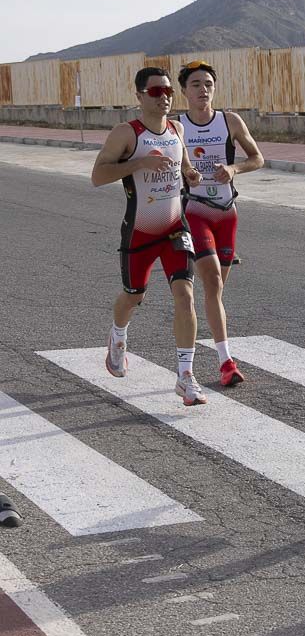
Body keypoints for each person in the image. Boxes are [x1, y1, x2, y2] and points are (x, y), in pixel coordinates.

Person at [91, 67, 207, 406]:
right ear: (140, 96)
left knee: (185, 294)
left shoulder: (178, 128)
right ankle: (118, 337)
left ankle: (185, 376)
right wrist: (138, 163)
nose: (165, 97)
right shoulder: (127, 134)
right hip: (140, 230)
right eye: (156, 92)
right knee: (134, 296)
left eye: (169, 90)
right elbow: (98, 175)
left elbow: (183, 165)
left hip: (174, 226)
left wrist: (191, 173)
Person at [177, 60, 265, 387]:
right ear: (184, 91)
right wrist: (185, 171)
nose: (203, 90)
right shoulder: (177, 126)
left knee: (216, 289)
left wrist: (233, 169)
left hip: (226, 213)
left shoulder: (230, 121)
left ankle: (211, 337)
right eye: (196, 84)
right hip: (195, 211)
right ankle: (226, 362)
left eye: (208, 84)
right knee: (212, 281)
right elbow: (168, 164)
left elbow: (257, 158)